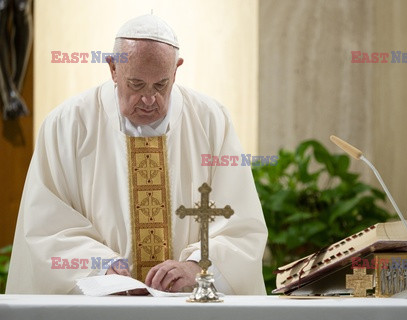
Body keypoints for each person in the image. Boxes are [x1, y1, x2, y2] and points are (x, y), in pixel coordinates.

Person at [6, 14, 267, 295]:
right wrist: (102, 269)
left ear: (176, 70)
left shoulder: (211, 121)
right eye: (136, 84)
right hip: (102, 308)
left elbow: (240, 226)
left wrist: (197, 267)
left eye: (160, 85)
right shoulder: (66, 125)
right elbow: (47, 227)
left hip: (186, 306)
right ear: (113, 68)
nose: (148, 99)